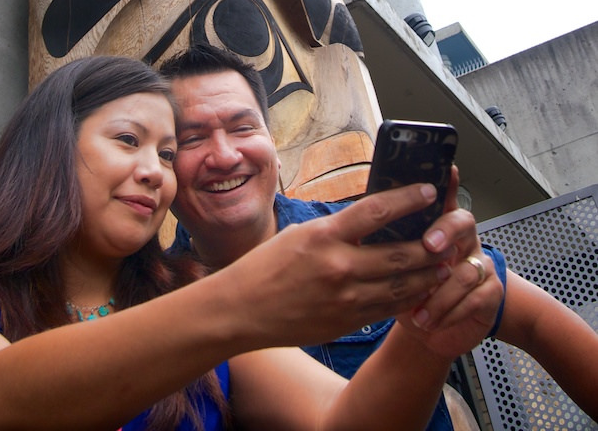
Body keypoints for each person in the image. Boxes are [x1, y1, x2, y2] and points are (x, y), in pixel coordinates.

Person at [0, 54, 502, 431]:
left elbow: (342, 421)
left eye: (168, 155)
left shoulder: (194, 292)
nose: (156, 171)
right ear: (48, 149)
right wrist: (243, 301)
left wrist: (423, 339)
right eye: (128, 140)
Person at [160, 43, 598, 427]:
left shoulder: (377, 234)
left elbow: (538, 320)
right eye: (192, 139)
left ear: (273, 145)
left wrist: (454, 289)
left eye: (243, 128)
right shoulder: (153, 306)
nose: (223, 155)